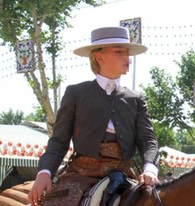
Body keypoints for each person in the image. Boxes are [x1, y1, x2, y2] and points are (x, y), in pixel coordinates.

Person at [28, 27, 159, 205]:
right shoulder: (76, 93)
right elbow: (59, 141)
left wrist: (150, 168)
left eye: (127, 52)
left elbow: (147, 140)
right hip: (82, 173)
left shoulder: (136, 98)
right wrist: (45, 172)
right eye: (119, 52)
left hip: (124, 174)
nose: (127, 58)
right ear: (99, 57)